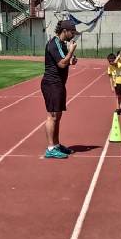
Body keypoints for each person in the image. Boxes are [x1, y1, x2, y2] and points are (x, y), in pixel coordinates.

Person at [42, 19, 79, 159]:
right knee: (52, 116)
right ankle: (50, 148)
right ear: (65, 31)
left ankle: (56, 145)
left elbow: (67, 61)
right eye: (72, 32)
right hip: (51, 83)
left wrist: (72, 59)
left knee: (58, 116)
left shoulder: (62, 44)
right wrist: (71, 52)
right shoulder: (53, 43)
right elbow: (62, 64)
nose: (73, 35)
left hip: (59, 84)